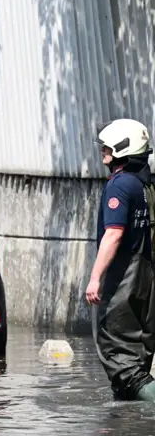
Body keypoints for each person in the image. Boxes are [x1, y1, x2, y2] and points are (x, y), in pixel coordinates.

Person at [87, 118, 155, 401]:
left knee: (121, 360)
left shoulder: (119, 186)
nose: (102, 150)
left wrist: (95, 278)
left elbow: (113, 234)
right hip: (146, 281)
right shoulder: (146, 184)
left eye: (106, 146)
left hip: (124, 281)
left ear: (121, 148)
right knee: (138, 356)